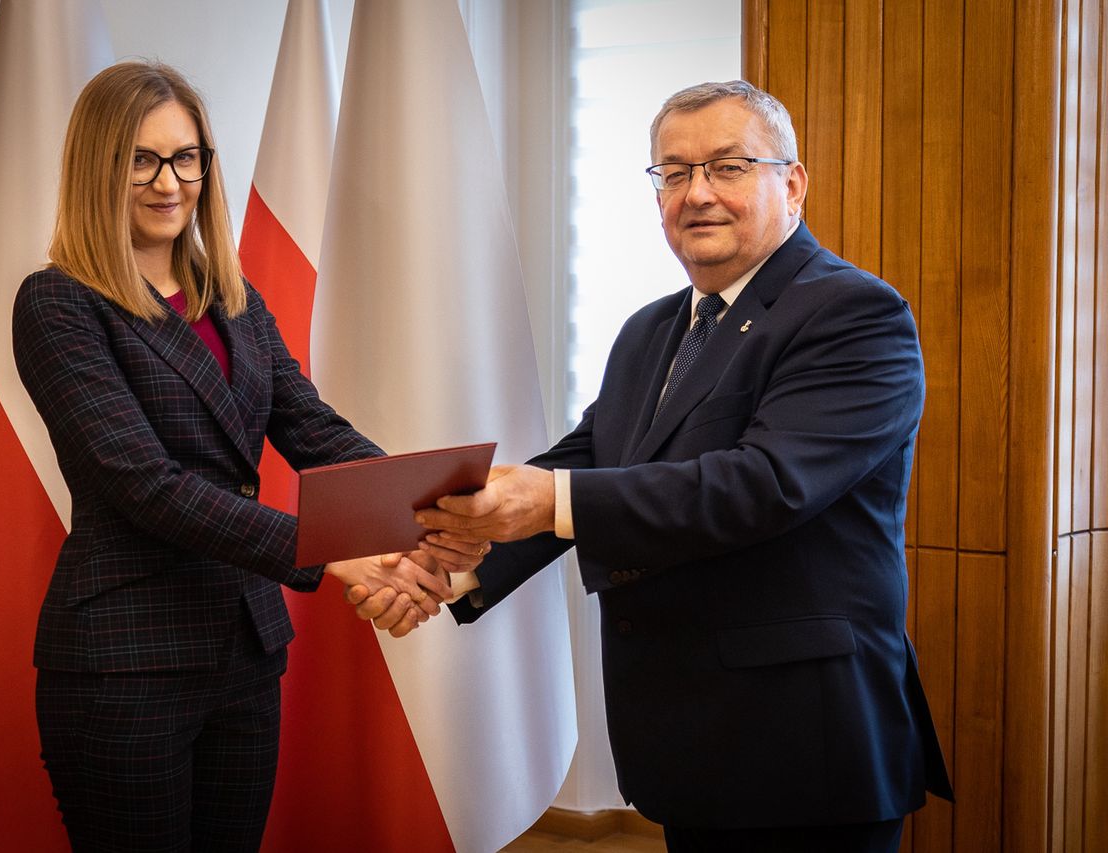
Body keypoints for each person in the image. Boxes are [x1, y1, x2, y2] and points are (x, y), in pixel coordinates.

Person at [356, 80, 954, 851]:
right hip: (686, 739)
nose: (696, 193)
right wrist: (444, 559)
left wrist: (541, 501)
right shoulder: (651, 329)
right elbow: (580, 465)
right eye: (673, 173)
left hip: (805, 747)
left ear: (793, 183)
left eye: (728, 167)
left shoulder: (855, 314)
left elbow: (762, 485)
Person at [12, 61, 473, 851]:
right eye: (142, 159)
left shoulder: (234, 298)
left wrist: (424, 513)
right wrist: (333, 552)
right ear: (99, 166)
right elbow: (146, 485)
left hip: (244, 651)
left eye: (188, 156)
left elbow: (314, 431)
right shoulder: (57, 303)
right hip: (126, 663)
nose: (170, 181)